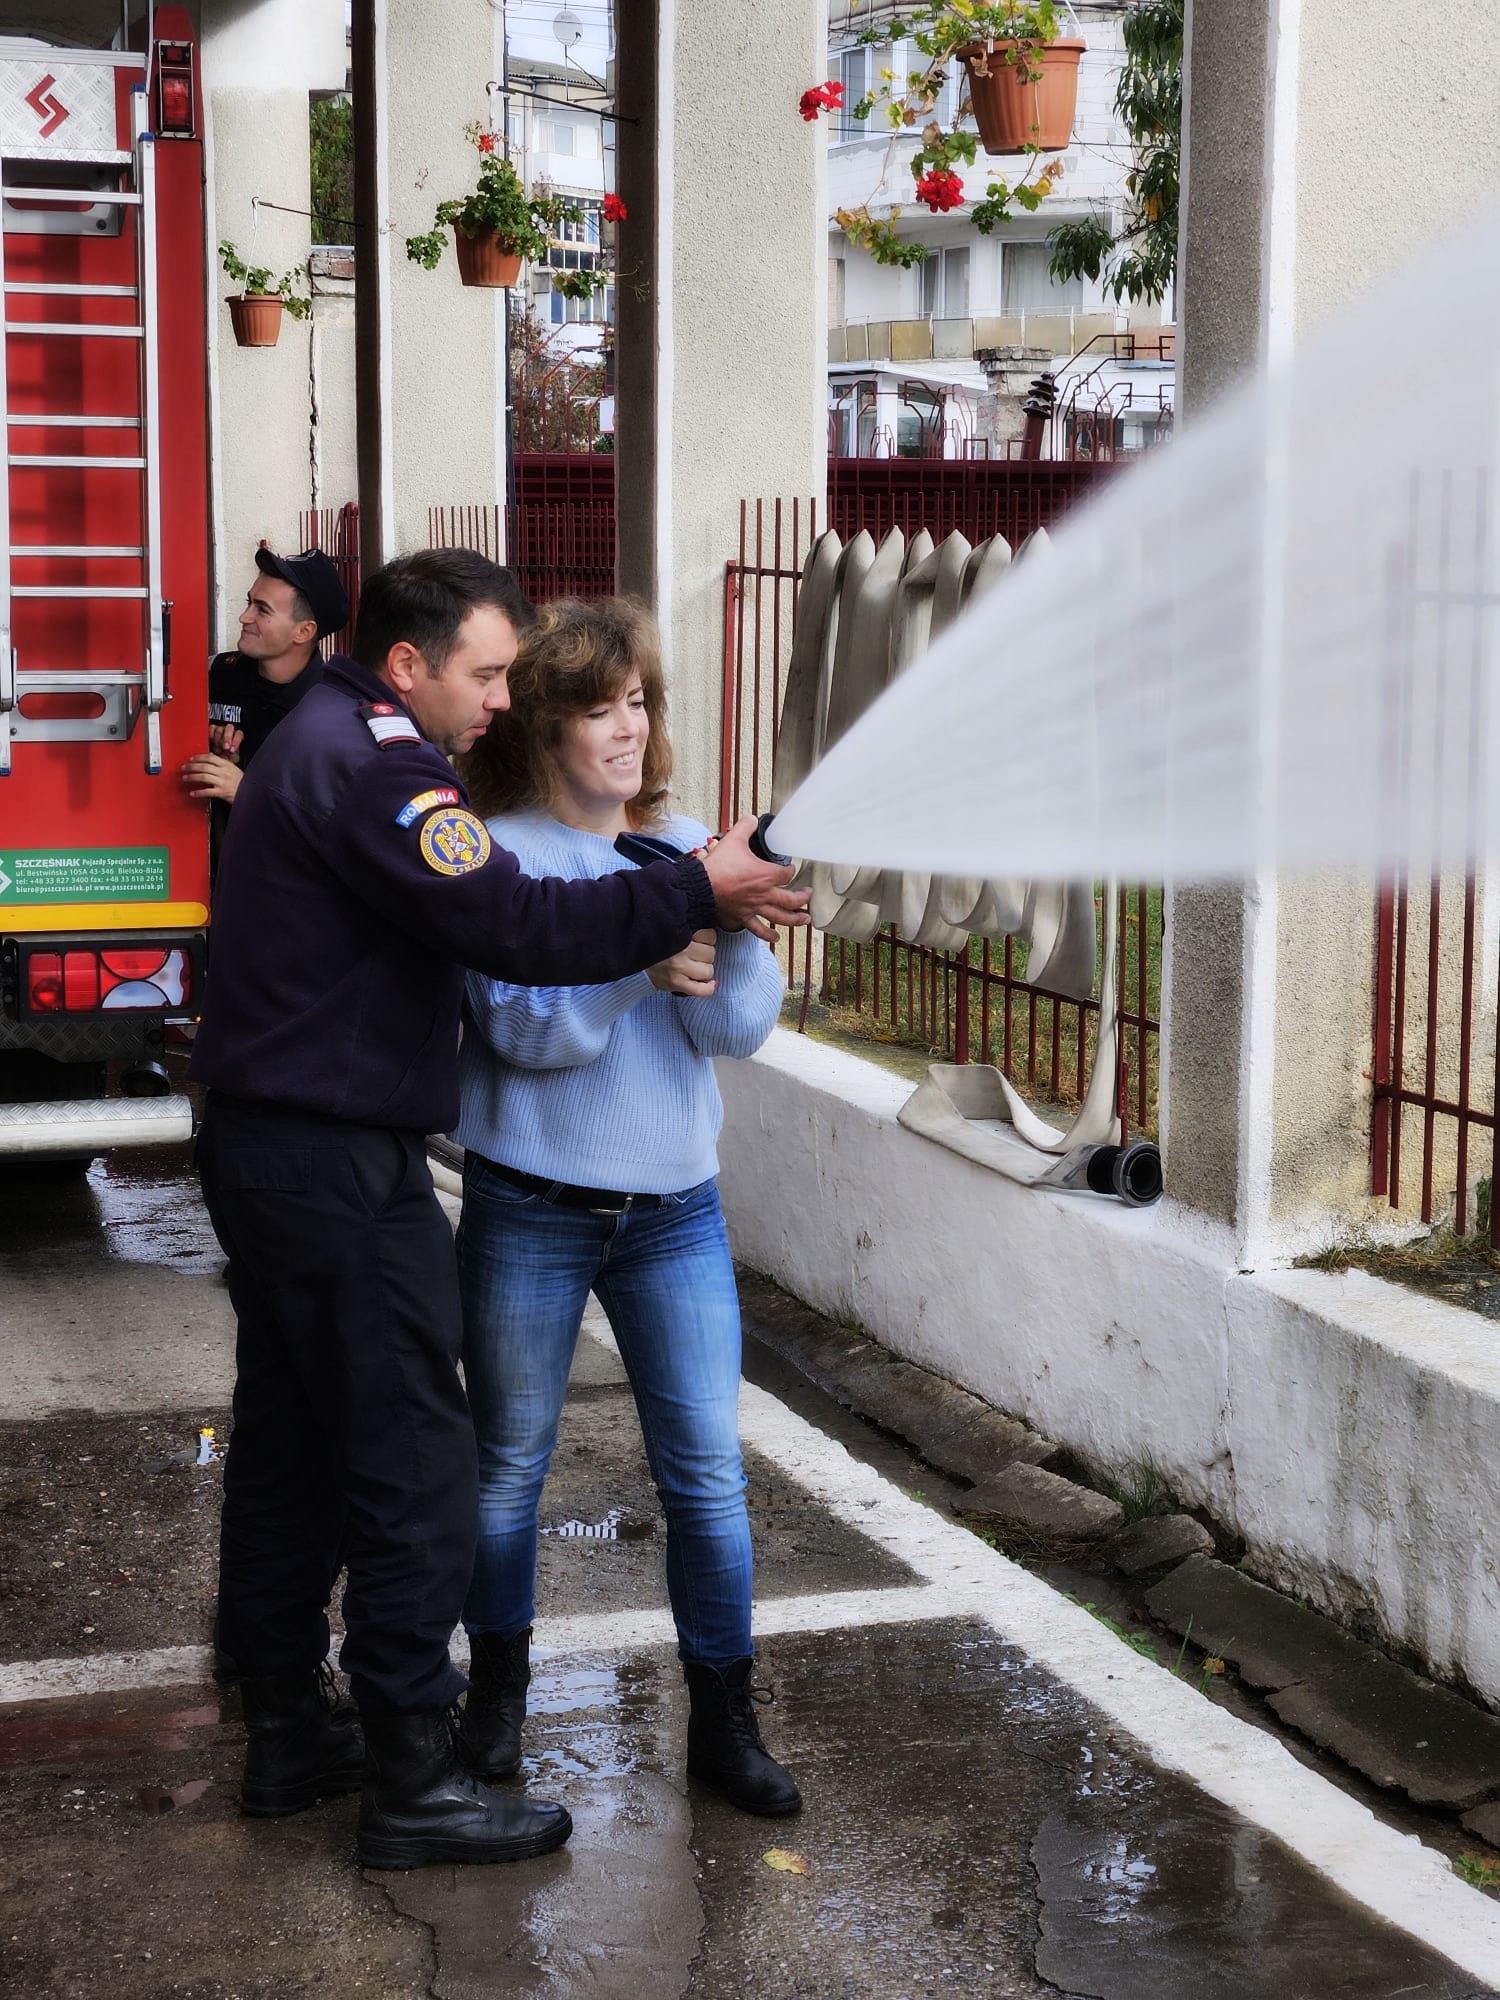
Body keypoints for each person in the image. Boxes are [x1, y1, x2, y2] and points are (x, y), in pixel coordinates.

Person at [189, 548, 808, 1872]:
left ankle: (288, 1729)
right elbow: (517, 921)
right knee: (421, 1461)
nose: (501, 700)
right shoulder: (379, 768)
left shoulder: (323, 737)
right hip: (330, 1162)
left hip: (280, 1142)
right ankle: (418, 1777)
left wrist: (696, 894)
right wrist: (693, 891)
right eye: (486, 674)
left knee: (296, 1446)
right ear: (408, 664)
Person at [452, 596, 800, 1817]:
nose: (626, 727)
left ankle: (726, 1724)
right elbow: (522, 1034)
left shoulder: (689, 845)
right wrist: (636, 962)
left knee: (706, 1475)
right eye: (597, 708)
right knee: (507, 1470)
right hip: (529, 1204)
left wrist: (730, 922)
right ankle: (496, 1702)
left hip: (675, 1213)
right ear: (542, 725)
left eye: (638, 702)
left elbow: (734, 1030)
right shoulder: (495, 855)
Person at [181, 547, 351, 866]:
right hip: (199, 867)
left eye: (262, 609)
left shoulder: (335, 711)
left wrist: (245, 792)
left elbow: (338, 831)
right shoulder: (213, 676)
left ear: (304, 631)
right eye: (249, 602)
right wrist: (213, 748)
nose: (244, 617)